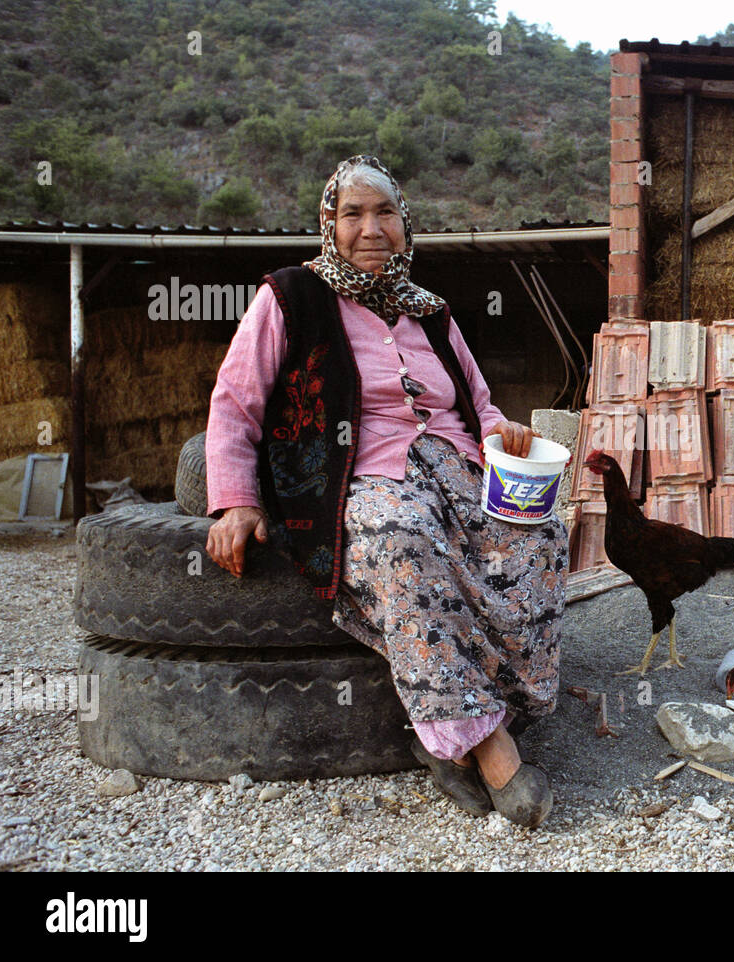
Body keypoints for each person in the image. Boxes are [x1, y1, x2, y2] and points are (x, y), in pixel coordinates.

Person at [203, 155, 566, 828]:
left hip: (456, 469)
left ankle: (480, 717)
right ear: (328, 224)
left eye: (386, 212)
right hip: (357, 472)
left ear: (406, 225)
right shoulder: (289, 296)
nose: (371, 228)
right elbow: (235, 403)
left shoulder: (430, 312)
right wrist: (235, 500)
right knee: (402, 541)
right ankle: (486, 747)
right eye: (353, 213)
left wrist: (502, 433)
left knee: (539, 536)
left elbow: (477, 406)